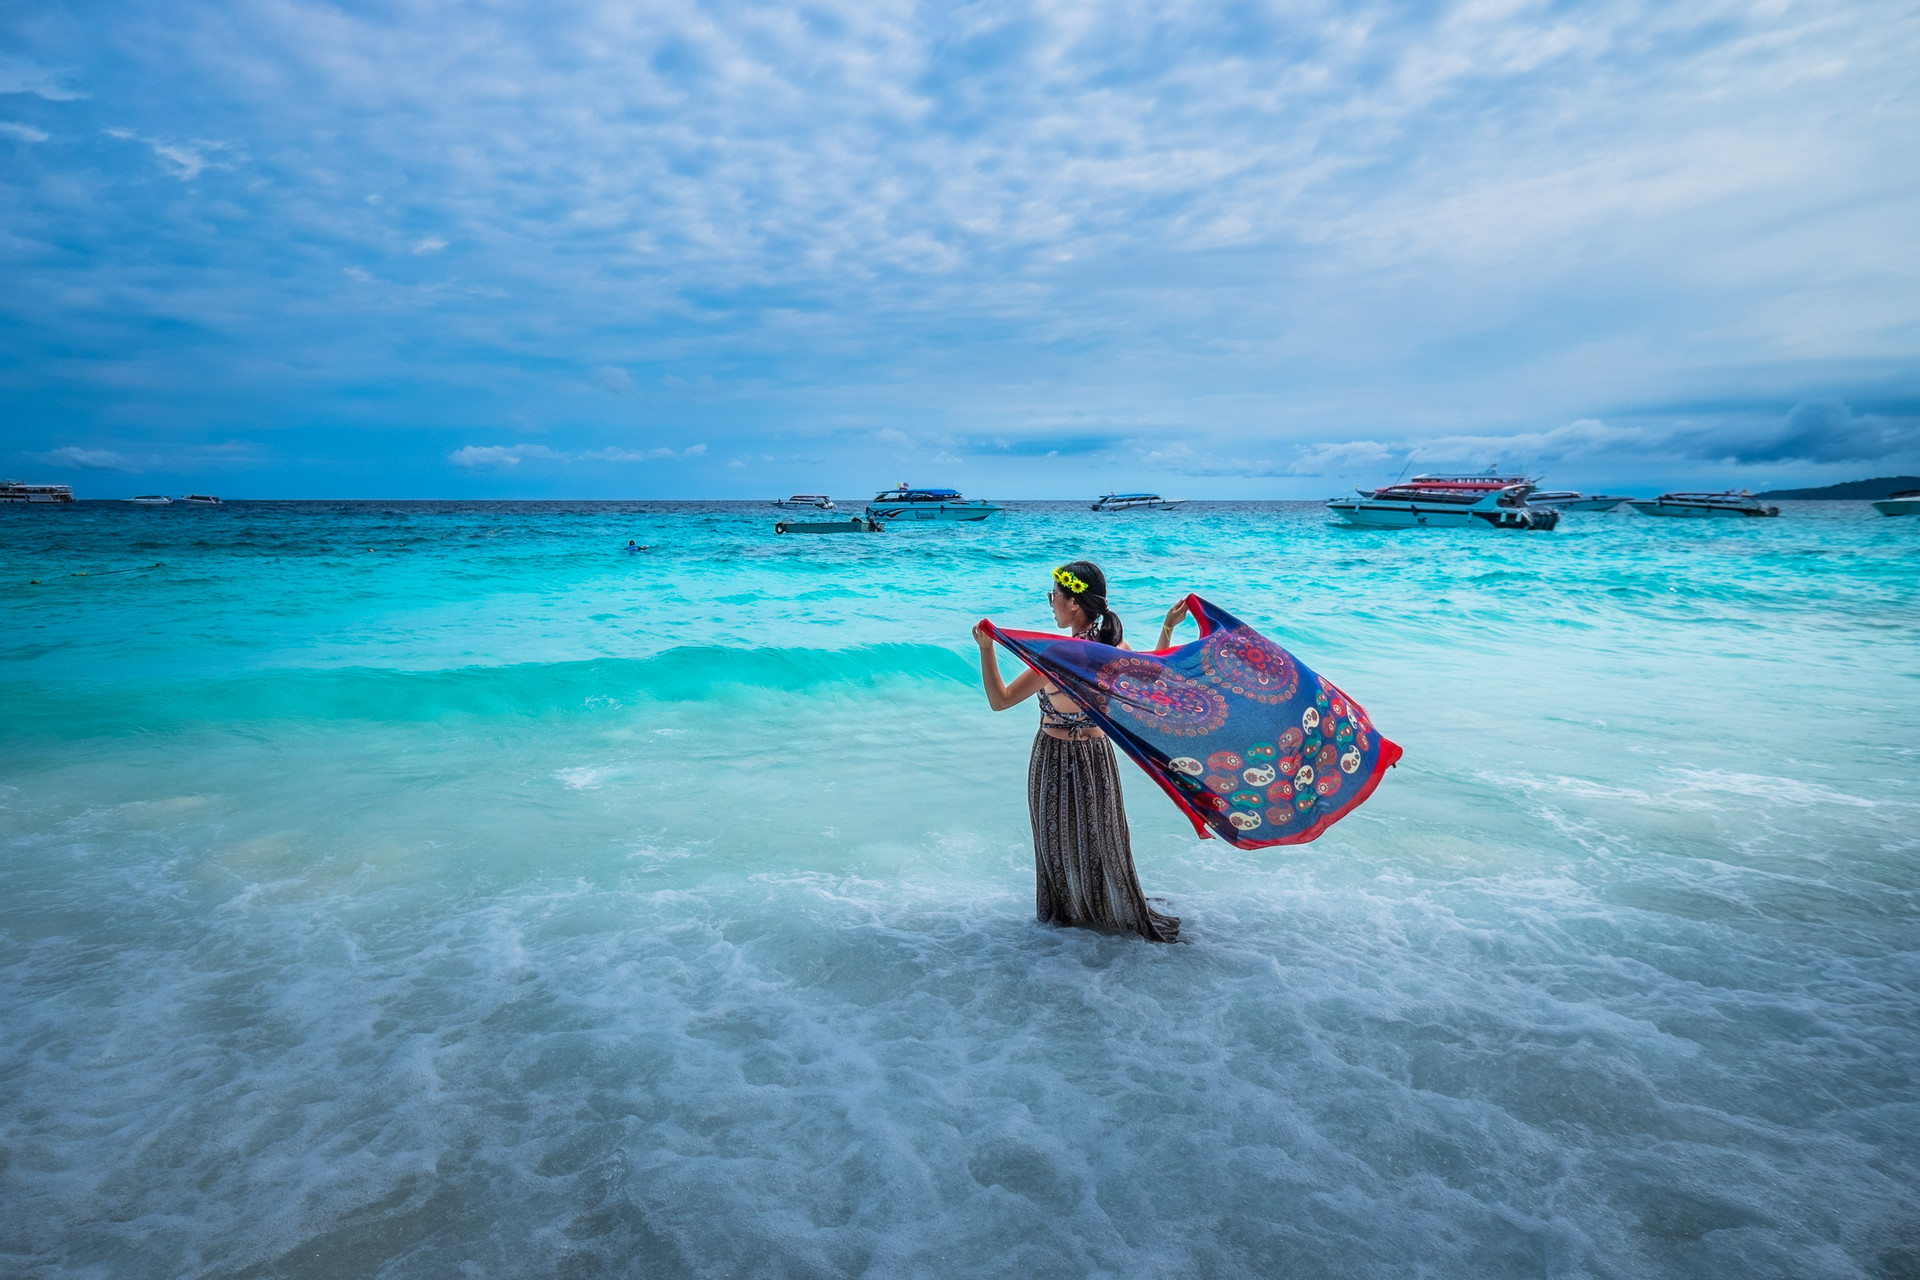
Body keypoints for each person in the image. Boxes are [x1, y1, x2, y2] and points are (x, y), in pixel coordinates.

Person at [971, 561, 1181, 943]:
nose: (1051, 604)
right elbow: (1155, 683)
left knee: (1058, 849)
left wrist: (986, 650)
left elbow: (999, 701)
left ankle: (1066, 939)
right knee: (1105, 845)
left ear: (1073, 603)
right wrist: (1167, 628)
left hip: (1053, 758)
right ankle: (1107, 922)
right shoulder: (1113, 650)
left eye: (1054, 596)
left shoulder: (1056, 656)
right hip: (1097, 757)